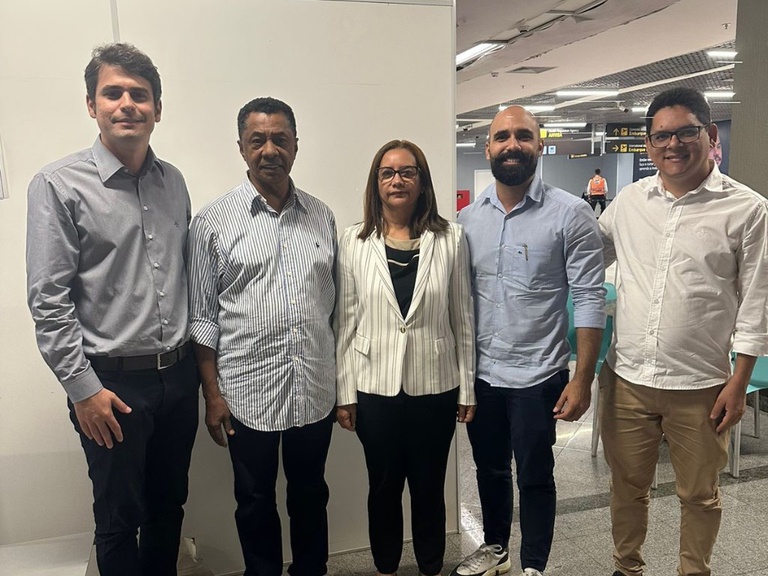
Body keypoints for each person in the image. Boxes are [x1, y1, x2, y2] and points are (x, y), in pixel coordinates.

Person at [26, 43, 199, 575]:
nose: (127, 104)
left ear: (158, 108)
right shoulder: (58, 185)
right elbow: (48, 302)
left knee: (169, 507)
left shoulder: (174, 182)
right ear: (91, 104)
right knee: (119, 519)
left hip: (178, 377)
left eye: (140, 95)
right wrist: (84, 391)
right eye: (113, 93)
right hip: (110, 387)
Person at [598, 87, 768, 576]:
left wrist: (740, 381)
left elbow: (757, 303)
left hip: (701, 386)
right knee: (627, 487)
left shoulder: (748, 209)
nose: (673, 144)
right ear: (648, 144)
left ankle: (694, 570)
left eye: (685, 132)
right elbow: (586, 254)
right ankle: (626, 567)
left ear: (710, 135)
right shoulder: (629, 202)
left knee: (699, 494)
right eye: (661, 136)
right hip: (627, 381)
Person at [452, 106, 606, 576]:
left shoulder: (571, 213)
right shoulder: (466, 220)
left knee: (536, 476)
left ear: (539, 145)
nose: (512, 145)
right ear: (488, 148)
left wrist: (582, 379)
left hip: (539, 375)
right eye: (502, 137)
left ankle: (533, 565)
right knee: (490, 469)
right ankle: (495, 550)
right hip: (483, 375)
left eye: (523, 136)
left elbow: (590, 297)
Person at [187, 97, 337, 576]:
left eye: (280, 139)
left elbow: (335, 308)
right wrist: (212, 395)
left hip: (314, 388)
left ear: (295, 146)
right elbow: (202, 318)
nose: (270, 150)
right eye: (258, 140)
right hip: (245, 392)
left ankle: (310, 570)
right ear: (241, 148)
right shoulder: (211, 223)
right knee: (253, 500)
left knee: (311, 492)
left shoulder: (322, 216)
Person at [335, 140, 476, 576]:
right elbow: (346, 321)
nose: (397, 180)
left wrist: (468, 388)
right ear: (376, 182)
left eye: (407, 171)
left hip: (435, 385)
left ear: (421, 180)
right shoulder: (354, 240)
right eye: (388, 172)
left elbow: (463, 316)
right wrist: (345, 393)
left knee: (430, 487)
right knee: (383, 487)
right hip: (373, 388)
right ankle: (386, 567)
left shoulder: (451, 239)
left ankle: (431, 566)